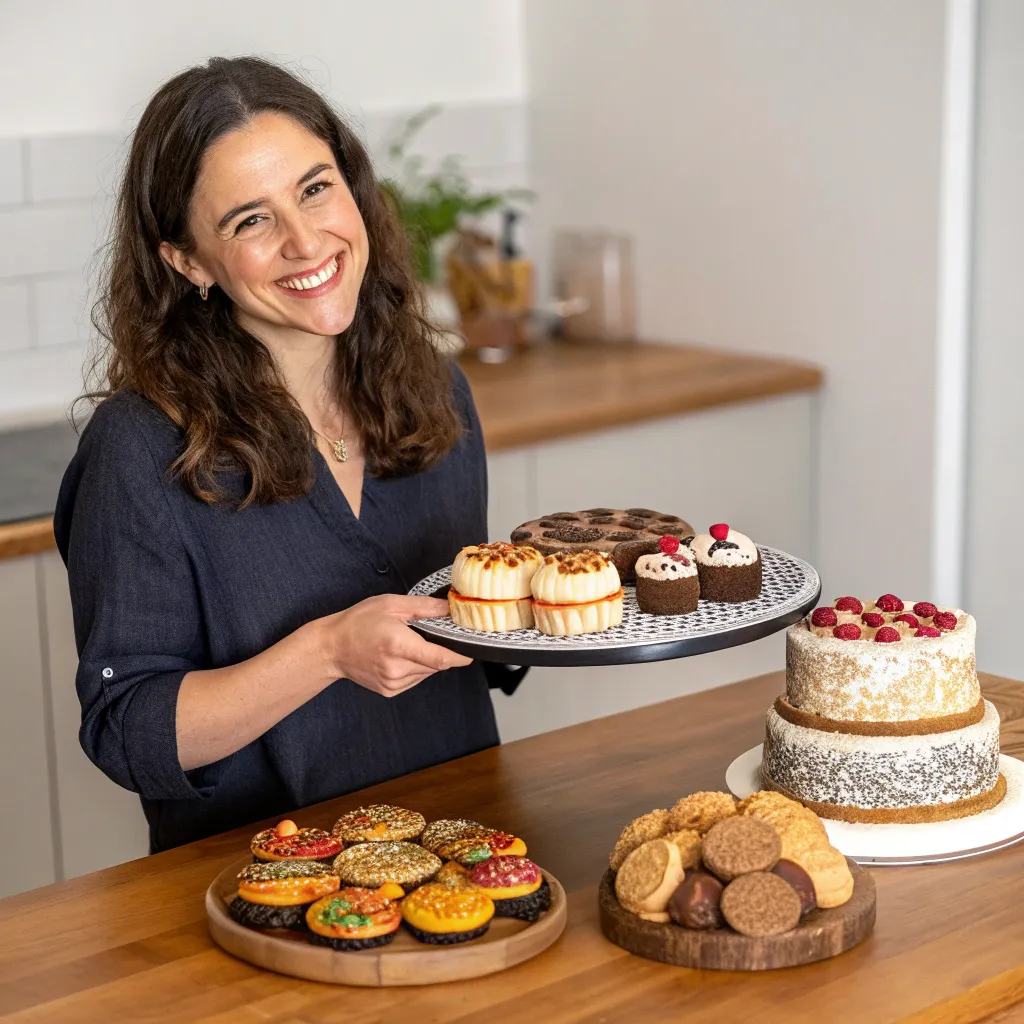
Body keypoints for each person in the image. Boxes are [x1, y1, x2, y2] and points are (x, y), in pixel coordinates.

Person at [54, 56, 522, 854]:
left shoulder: (434, 388)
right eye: (250, 221)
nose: (307, 242)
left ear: (355, 189)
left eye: (315, 189)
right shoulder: (141, 449)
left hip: (467, 853)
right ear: (189, 263)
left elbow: (462, 640)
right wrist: (328, 651)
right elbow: (129, 730)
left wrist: (533, 593)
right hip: (261, 891)